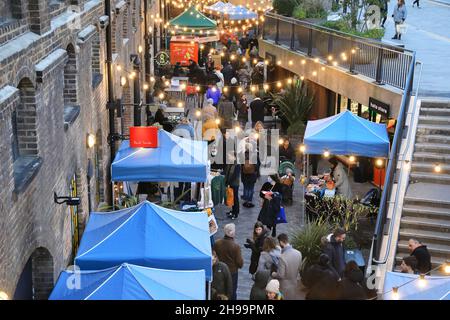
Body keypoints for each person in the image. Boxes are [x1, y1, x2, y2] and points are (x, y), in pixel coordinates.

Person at [213, 223, 244, 300]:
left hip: (219, 270)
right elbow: (240, 263)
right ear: (233, 233)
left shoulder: (217, 243)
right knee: (232, 290)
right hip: (232, 272)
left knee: (220, 289)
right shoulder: (236, 247)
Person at [271, 234, 302, 300]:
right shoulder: (298, 253)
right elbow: (299, 269)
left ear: (281, 242)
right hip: (294, 285)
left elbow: (280, 275)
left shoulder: (282, 257)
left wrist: (273, 274)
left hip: (284, 287)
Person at [224, 153, 241, 219]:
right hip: (230, 183)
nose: (228, 157)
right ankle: (233, 210)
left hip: (235, 184)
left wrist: (228, 182)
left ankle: (236, 213)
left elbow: (235, 176)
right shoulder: (230, 163)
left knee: (235, 198)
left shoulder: (237, 165)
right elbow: (227, 172)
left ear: (234, 157)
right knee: (232, 197)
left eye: (229, 156)